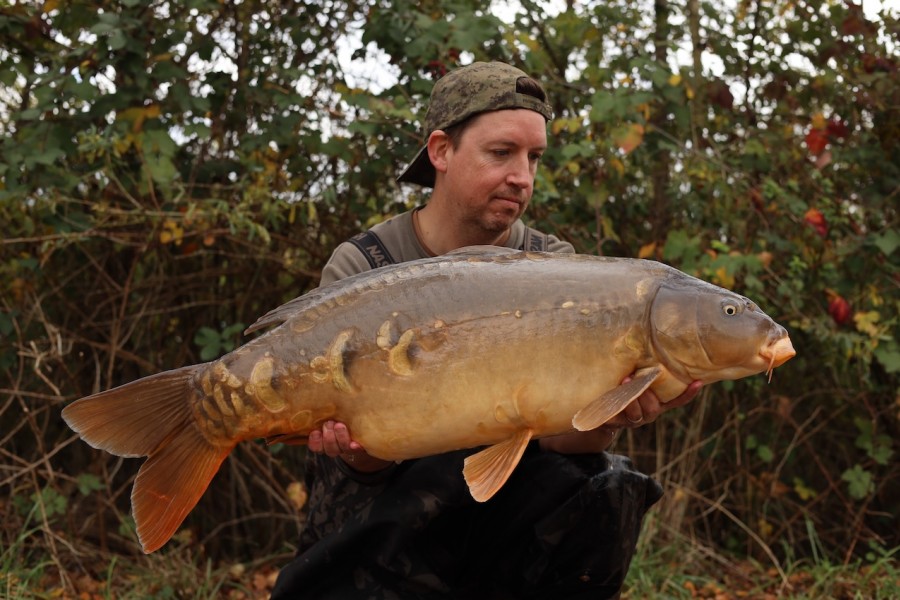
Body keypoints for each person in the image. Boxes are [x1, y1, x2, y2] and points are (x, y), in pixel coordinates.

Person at [272, 61, 702, 599]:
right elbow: (360, 460)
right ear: (441, 152)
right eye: (501, 153)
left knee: (605, 483)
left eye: (533, 158)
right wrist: (355, 448)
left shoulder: (558, 268)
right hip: (381, 502)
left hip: (500, 509)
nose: (522, 176)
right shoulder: (364, 266)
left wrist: (612, 413)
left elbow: (564, 438)